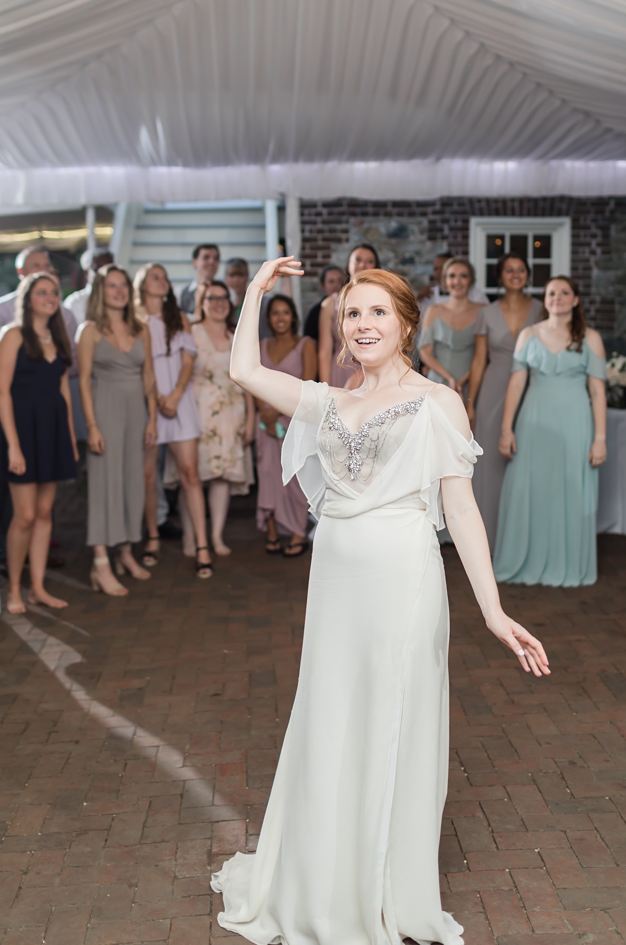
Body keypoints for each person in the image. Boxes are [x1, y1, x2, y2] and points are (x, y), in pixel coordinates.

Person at [213, 258, 548, 943]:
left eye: (375, 312)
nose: (363, 324)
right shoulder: (327, 401)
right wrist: (254, 292)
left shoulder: (437, 403)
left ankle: (382, 883)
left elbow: (462, 509)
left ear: (403, 324)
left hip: (404, 580)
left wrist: (492, 610)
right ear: (340, 329)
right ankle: (323, 875)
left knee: (393, 721)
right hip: (335, 582)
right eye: (351, 314)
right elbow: (243, 372)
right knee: (331, 716)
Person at [494, 276, 607, 587]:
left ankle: (567, 562)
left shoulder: (590, 337)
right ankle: (526, 559)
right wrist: (507, 429)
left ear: (575, 300)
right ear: (544, 300)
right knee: (531, 486)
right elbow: (516, 384)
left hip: (575, 421)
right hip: (534, 419)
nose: (557, 297)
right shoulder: (528, 335)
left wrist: (600, 438)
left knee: (571, 489)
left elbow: (598, 392)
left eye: (564, 292)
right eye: (551, 292)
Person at [0, 273, 79, 613]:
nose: (50, 297)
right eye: (42, 292)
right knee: (25, 515)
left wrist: (70, 438)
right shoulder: (11, 335)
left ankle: (38, 588)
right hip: (21, 433)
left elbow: (62, 394)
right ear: (28, 299)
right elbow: (1, 391)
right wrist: (13, 445)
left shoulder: (57, 338)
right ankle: (15, 588)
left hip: (53, 431)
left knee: (44, 513)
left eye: (54, 292)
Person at [78, 265, 157, 594]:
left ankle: (125, 551)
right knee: (103, 483)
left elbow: (149, 377)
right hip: (105, 411)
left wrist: (152, 418)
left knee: (131, 481)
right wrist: (92, 426)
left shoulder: (141, 328)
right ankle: (100, 562)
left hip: (136, 412)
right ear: (100, 291)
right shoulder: (90, 330)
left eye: (123, 285)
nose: (119, 291)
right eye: (112, 286)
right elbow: (82, 381)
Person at [135, 263, 213, 578]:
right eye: (156, 277)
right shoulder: (134, 321)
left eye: (165, 277)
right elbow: (143, 368)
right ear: (141, 284)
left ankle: (203, 544)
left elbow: (188, 359)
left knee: (190, 474)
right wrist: (157, 401)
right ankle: (152, 537)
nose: (163, 282)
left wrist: (177, 395)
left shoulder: (178, 318)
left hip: (179, 402)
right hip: (148, 403)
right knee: (148, 476)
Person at [472, 253, 545, 549]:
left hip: (532, 388)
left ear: (527, 275)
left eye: (521, 270)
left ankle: (525, 541)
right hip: (493, 389)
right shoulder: (486, 313)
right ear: (500, 277)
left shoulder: (541, 309)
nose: (515, 274)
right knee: (490, 464)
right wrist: (470, 402)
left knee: (528, 460)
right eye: (509, 270)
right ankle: (488, 541)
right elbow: (478, 361)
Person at [190, 282, 255, 559]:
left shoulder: (235, 334)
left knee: (221, 477)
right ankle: (191, 536)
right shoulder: (190, 332)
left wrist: (251, 416)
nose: (218, 303)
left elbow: (248, 376)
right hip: (196, 412)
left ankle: (215, 535)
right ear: (202, 302)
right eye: (212, 298)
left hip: (232, 412)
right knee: (192, 475)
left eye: (223, 298)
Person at [255, 295, 315, 557]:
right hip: (264, 422)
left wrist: (276, 411)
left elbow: (309, 385)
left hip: (295, 420)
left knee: (294, 477)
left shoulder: (305, 345)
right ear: (269, 318)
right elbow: (252, 379)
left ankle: (298, 530)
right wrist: (263, 413)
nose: (281, 318)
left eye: (285, 313)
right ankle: (271, 529)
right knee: (267, 474)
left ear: (294, 317)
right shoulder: (261, 344)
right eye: (275, 313)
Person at [419, 257, 486, 408]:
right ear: (444, 280)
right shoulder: (433, 311)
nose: (457, 281)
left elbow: (484, 354)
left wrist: (463, 380)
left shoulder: (483, 311)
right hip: (438, 383)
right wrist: (450, 378)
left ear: (471, 280)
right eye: (452, 276)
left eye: (463, 276)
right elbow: (424, 352)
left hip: (473, 383)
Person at [0, 246, 69, 356]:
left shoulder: (63, 311)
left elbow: (70, 353)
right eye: (36, 266)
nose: (43, 270)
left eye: (47, 266)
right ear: (21, 271)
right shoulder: (0, 309)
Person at [317, 244, 380, 389]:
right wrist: (326, 392)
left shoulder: (383, 299)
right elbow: (324, 352)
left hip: (375, 368)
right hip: (342, 368)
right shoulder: (330, 304)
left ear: (376, 266)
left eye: (369, 261)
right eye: (358, 259)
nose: (363, 264)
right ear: (348, 265)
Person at [64, 246, 115, 326]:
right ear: (86, 272)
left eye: (109, 269)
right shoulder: (75, 302)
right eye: (98, 269)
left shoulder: (120, 299)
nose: (104, 274)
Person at [303, 266, 347, 345]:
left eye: (340, 281)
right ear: (323, 286)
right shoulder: (315, 313)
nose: (336, 285)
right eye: (331, 281)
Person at [178, 243, 221, 315]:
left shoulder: (230, 294)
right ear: (194, 262)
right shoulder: (179, 293)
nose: (211, 262)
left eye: (215, 258)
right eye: (206, 257)